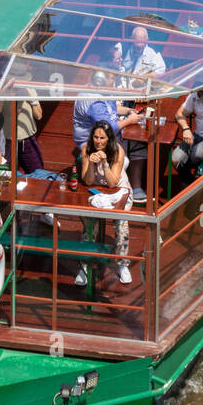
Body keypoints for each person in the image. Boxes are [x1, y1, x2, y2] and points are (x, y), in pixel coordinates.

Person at [76, 122, 133, 286]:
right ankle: (84, 265)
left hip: (118, 191)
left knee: (121, 222)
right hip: (97, 192)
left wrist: (105, 163)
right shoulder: (87, 149)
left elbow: (113, 183)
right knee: (88, 222)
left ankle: (122, 264)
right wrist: (91, 163)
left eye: (102, 138)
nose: (98, 141)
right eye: (95, 137)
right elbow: (87, 181)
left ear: (109, 139)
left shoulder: (118, 151)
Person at [172, 83, 203, 184]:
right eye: (199, 83)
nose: (199, 89)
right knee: (175, 159)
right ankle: (192, 182)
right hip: (198, 135)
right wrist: (186, 129)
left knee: (195, 154)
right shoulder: (195, 95)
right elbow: (179, 113)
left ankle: (191, 183)